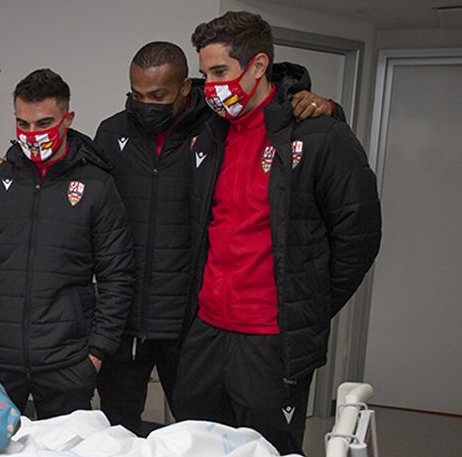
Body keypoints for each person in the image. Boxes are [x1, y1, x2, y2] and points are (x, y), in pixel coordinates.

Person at [93, 41, 337, 436]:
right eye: (137, 95)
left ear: (185, 88)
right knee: (117, 436)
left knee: (201, 437)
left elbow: (270, 112)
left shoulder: (215, 127)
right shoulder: (112, 132)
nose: (145, 105)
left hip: (190, 322)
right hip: (126, 319)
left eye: (158, 96)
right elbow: (75, 172)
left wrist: (326, 106)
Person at [174, 11, 382, 455]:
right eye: (205, 74)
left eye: (220, 73)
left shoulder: (320, 134)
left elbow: (358, 237)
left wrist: (307, 301)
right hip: (208, 329)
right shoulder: (208, 136)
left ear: (258, 66)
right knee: (197, 455)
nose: (210, 87)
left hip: (271, 338)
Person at [0, 68, 135, 419]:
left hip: (67, 359)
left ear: (68, 119)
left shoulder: (97, 186)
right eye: (24, 124)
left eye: (44, 123)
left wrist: (97, 352)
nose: (32, 135)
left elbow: (117, 276)